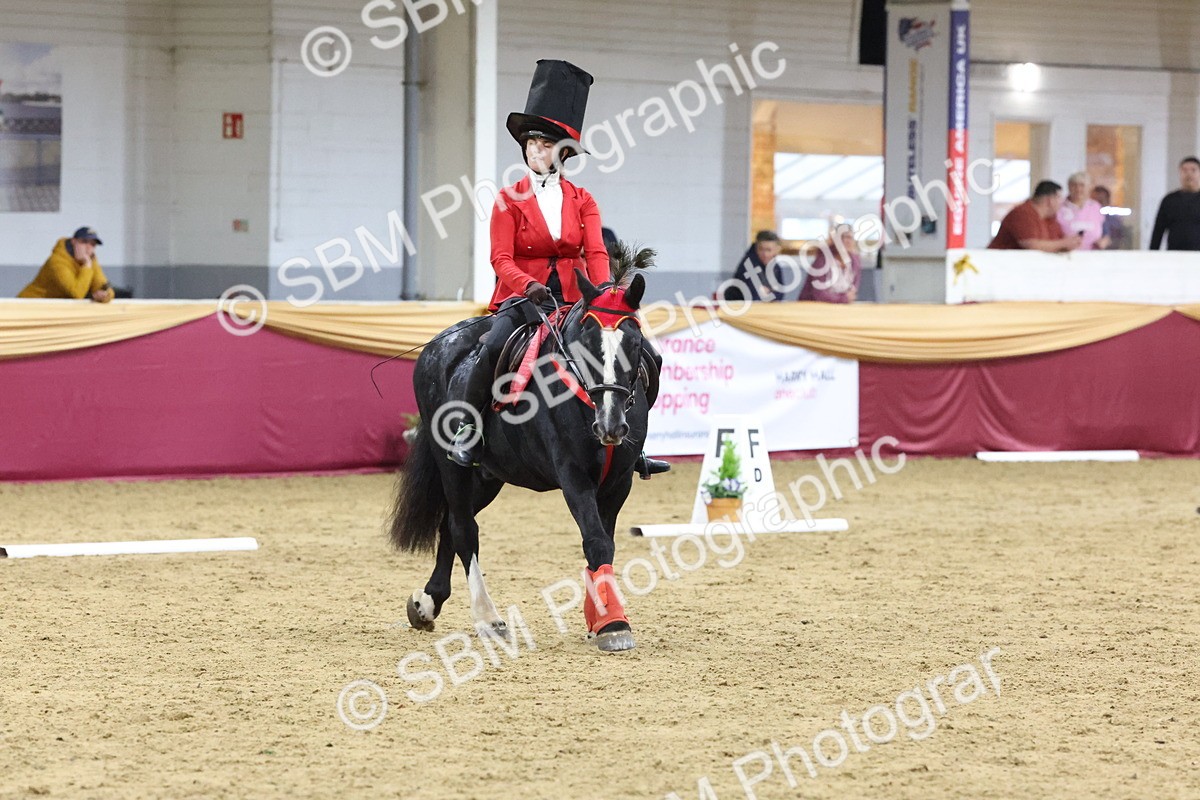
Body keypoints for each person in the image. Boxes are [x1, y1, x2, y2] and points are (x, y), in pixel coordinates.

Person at [446, 59, 669, 478]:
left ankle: (634, 445)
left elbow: (596, 251)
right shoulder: (507, 199)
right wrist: (526, 285)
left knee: (647, 355)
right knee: (492, 347)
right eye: (531, 143)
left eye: (545, 144)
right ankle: (468, 431)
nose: (536, 150)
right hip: (523, 299)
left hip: (576, 299)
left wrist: (602, 294)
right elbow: (500, 258)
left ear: (563, 152)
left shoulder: (583, 200)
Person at [18, 227, 114, 301]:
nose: (88, 248)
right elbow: (77, 293)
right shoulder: (57, 261)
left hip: (52, 308)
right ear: (73, 241)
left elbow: (103, 286)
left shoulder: (91, 260)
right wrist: (87, 266)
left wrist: (105, 295)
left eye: (93, 244)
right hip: (30, 303)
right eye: (84, 242)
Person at [988, 181, 1083, 252]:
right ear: (1050, 200)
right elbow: (1031, 245)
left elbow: (1057, 240)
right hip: (999, 266)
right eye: (1059, 198)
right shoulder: (1023, 213)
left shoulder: (1050, 219)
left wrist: (1069, 243)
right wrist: (1064, 243)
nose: (1061, 203)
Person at [798, 225, 861, 303]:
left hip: (840, 307)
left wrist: (845, 299)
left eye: (850, 237)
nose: (846, 241)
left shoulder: (855, 262)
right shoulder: (822, 261)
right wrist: (843, 299)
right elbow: (819, 294)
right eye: (842, 237)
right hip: (814, 306)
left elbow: (852, 291)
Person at [1149, 156, 1200, 251]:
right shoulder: (1169, 200)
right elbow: (1158, 231)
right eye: (1185, 170)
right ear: (1180, 173)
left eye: (1193, 170)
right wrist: (1152, 254)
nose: (1189, 174)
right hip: (1174, 254)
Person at [723, 230, 786, 301]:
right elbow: (754, 296)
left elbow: (780, 293)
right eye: (761, 249)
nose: (765, 254)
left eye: (769, 250)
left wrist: (767, 293)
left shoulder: (776, 267)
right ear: (756, 248)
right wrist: (769, 293)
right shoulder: (748, 265)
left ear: (776, 250)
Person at [1057, 172, 1110, 250]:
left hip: (1092, 254)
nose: (1078, 189)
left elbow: (1105, 233)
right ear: (1068, 186)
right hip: (1066, 253)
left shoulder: (1095, 207)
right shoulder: (1059, 206)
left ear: (1089, 188)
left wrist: (1103, 242)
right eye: (1074, 185)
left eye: (1082, 185)